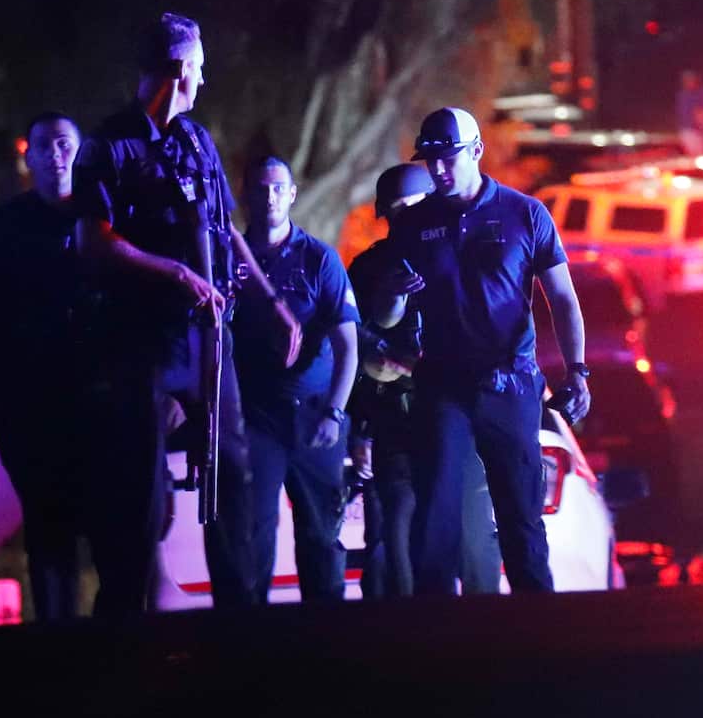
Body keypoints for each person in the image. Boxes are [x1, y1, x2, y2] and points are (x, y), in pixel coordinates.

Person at [72, 12, 301, 615]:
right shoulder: (109, 146)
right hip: (142, 337)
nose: (203, 80)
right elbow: (95, 240)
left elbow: (224, 226)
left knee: (232, 473)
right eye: (198, 69)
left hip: (208, 336)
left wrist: (272, 302)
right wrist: (174, 272)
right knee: (139, 485)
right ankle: (124, 617)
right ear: (177, 70)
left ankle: (240, 614)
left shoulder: (195, 140)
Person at [370, 107, 591, 595]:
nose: (440, 171)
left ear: (476, 151)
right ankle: (440, 643)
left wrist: (577, 372)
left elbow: (562, 299)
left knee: (521, 520)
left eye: (449, 158)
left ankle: (539, 633)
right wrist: (393, 294)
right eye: (431, 161)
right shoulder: (414, 224)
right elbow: (385, 319)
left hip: (509, 385)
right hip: (443, 388)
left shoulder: (524, 213)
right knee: (436, 519)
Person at [0, 112, 86, 621]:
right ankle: (58, 630)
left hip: (94, 398)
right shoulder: (4, 229)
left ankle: (117, 634)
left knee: (105, 520)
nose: (57, 154)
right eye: (45, 145)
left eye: (66, 144)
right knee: (47, 519)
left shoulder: (106, 220)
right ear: (29, 156)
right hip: (27, 402)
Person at [347, 164, 501, 599]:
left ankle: (495, 648)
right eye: (395, 211)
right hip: (396, 423)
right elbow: (350, 343)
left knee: (474, 545)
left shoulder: (465, 255)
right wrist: (360, 428)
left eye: (413, 208)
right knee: (398, 549)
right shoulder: (368, 268)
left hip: (460, 419)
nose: (405, 220)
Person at [234, 155, 359, 603]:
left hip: (314, 417)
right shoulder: (229, 260)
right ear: (246, 194)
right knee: (253, 536)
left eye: (277, 188)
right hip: (256, 418)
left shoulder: (319, 259)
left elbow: (348, 347)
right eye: (260, 188)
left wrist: (335, 412)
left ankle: (325, 640)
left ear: (292, 195)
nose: (268, 197)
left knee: (322, 537)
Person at [675, 70, 703, 156]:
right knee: (695, 156)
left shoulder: (696, 94)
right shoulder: (684, 95)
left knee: (699, 157)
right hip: (689, 131)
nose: (689, 82)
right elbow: (699, 114)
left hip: (695, 131)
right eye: (687, 80)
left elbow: (701, 113)